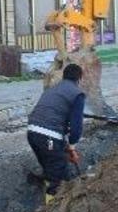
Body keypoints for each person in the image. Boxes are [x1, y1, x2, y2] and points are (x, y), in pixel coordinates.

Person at [26, 64, 85, 204]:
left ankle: (45, 180)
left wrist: (67, 149)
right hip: (48, 136)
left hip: (32, 133)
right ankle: (50, 211)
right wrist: (72, 146)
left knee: (54, 167)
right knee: (59, 177)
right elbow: (76, 127)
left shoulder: (53, 90)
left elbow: (55, 122)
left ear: (64, 76)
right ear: (80, 78)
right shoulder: (77, 94)